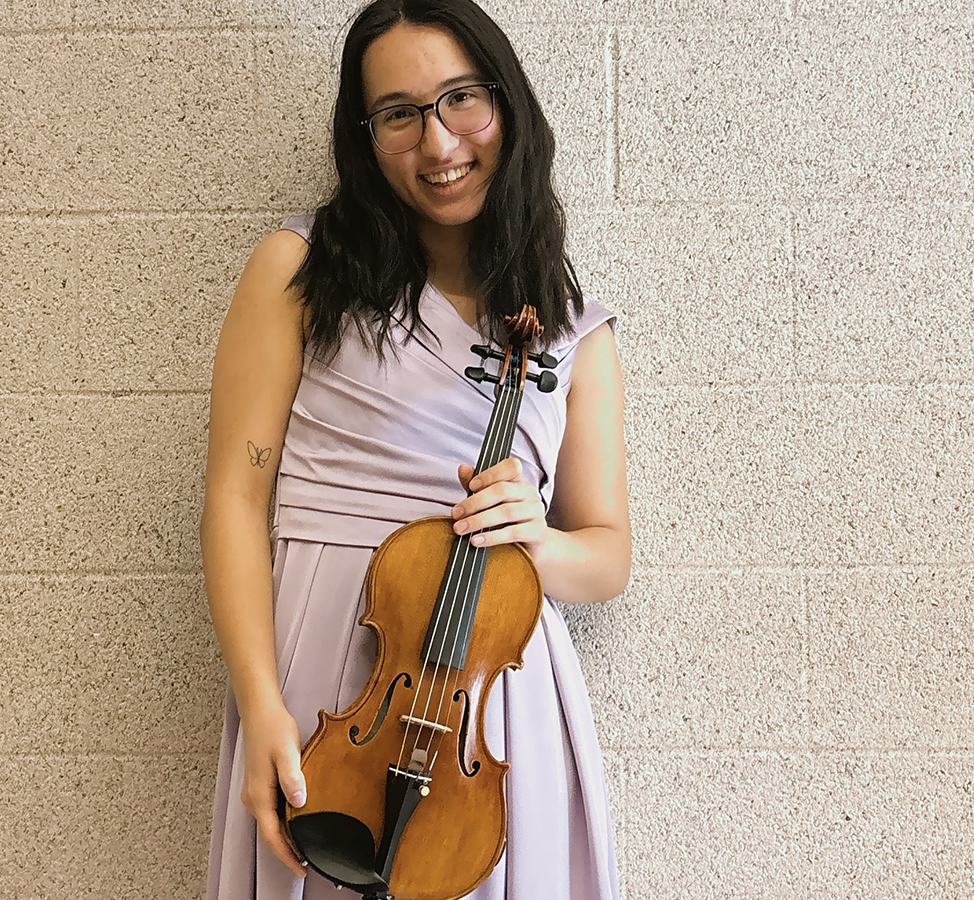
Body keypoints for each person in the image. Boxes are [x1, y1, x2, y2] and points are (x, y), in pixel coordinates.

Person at [202, 1, 630, 897]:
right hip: (329, 687)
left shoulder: (573, 331)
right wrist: (261, 708)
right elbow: (236, 502)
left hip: (486, 715)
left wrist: (539, 543)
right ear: (366, 136)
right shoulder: (297, 269)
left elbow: (608, 554)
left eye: (461, 99)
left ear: (506, 104)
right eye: (399, 113)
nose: (438, 144)